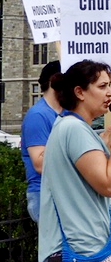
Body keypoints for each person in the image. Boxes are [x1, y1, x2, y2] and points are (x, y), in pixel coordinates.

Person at [38, 60, 111, 262]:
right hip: (83, 249)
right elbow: (109, 186)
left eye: (110, 85)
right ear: (80, 92)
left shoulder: (73, 127)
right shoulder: (74, 129)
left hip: (87, 244)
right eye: (102, 86)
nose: (110, 94)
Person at [20, 60, 62, 222]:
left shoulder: (63, 113)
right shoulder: (38, 116)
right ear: (54, 82)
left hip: (58, 195)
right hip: (45, 197)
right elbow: (40, 164)